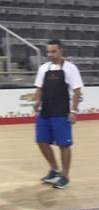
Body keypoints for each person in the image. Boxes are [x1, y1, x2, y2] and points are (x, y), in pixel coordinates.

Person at [33, 39, 83, 189]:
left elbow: (77, 91)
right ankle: (55, 169)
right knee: (41, 141)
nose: (50, 54)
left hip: (61, 113)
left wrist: (73, 111)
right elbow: (39, 88)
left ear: (61, 50)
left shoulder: (70, 68)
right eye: (48, 51)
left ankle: (65, 176)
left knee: (63, 145)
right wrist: (36, 101)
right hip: (45, 113)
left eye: (53, 51)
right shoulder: (43, 68)